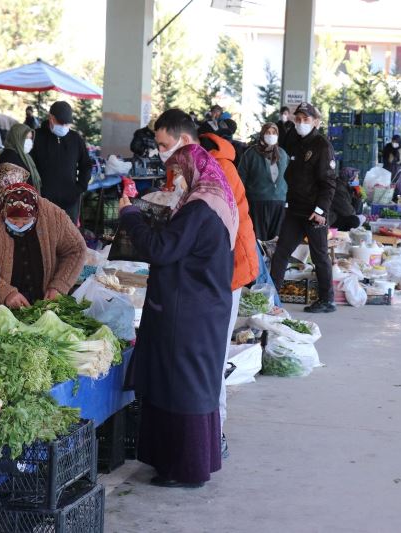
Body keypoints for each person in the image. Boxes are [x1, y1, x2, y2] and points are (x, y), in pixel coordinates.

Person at [118, 142, 239, 488]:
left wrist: (131, 218)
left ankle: (185, 469)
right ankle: (181, 463)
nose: (177, 181)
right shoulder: (216, 201)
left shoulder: (199, 208)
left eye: (180, 173)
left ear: (193, 170)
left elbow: (161, 249)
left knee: (183, 387)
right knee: (192, 384)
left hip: (189, 313)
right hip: (203, 307)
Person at [154, 108, 258, 458]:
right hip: (198, 278)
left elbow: (201, 231)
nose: (160, 151)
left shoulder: (218, 171)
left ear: (184, 141)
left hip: (222, 277)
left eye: (163, 144)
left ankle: (216, 435)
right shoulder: (185, 167)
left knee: (208, 359)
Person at [0, 164, 86, 318]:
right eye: (13, 219)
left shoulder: (51, 213)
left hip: (40, 306)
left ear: (36, 212)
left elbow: (76, 249)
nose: (19, 224)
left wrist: (58, 286)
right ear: (3, 210)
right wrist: (6, 293)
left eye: (26, 220)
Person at [269, 102, 337, 313]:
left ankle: (327, 300)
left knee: (319, 256)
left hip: (313, 212)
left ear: (315, 122)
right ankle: (271, 297)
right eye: (298, 119)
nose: (301, 123)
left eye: (306, 120)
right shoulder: (293, 140)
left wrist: (320, 211)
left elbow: (328, 183)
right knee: (281, 253)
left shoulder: (322, 146)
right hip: (295, 210)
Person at [30, 101, 92, 224]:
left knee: (69, 239)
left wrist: (79, 188)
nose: (64, 127)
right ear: (51, 118)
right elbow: (29, 166)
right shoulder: (37, 137)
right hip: (43, 202)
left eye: (67, 124)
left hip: (70, 203)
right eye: (61, 123)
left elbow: (86, 165)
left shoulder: (76, 139)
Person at [237, 122, 288, 240]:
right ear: (262, 134)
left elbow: (289, 178)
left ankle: (273, 259)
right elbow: (240, 178)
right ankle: (259, 259)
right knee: (258, 240)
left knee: (276, 240)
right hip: (257, 203)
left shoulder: (283, 154)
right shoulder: (251, 153)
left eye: (274, 133)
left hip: (279, 203)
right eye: (268, 132)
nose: (271, 135)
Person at [0, 123, 42, 191]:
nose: (30, 142)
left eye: (31, 138)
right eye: (26, 138)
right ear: (17, 138)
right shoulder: (9, 158)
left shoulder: (24, 156)